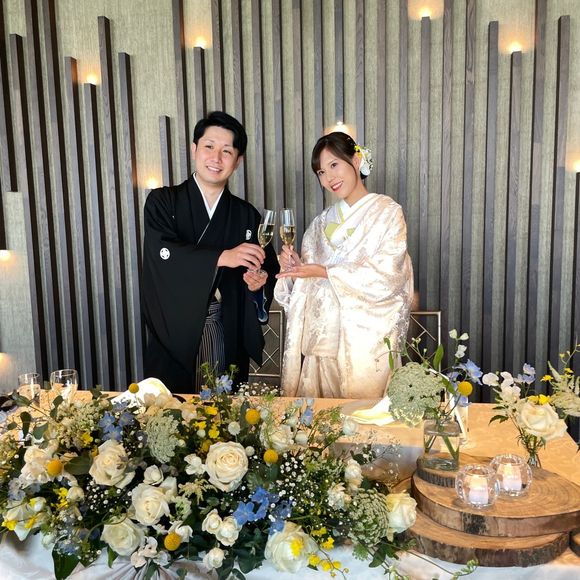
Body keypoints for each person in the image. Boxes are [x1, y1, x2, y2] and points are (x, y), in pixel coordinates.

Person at [142, 111, 279, 391]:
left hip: (224, 330)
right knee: (173, 409)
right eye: (209, 146)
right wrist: (222, 256)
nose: (216, 158)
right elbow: (162, 254)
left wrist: (258, 284)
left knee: (222, 411)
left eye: (226, 151)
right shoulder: (162, 202)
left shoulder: (246, 215)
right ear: (194, 149)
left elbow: (268, 269)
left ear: (237, 161)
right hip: (172, 332)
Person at [275, 131, 413, 398]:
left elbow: (390, 274)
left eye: (334, 165)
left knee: (363, 419)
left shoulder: (387, 213)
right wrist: (294, 270)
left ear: (356, 160)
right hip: (322, 345)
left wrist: (325, 272)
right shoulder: (319, 224)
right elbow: (303, 290)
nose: (329, 178)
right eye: (321, 172)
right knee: (319, 420)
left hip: (365, 343)